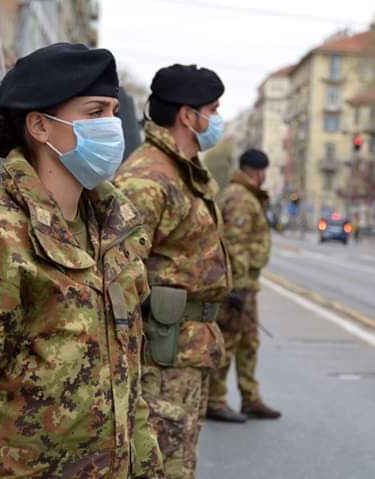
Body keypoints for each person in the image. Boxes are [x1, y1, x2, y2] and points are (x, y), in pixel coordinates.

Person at [0, 43, 163, 478]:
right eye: (95, 112)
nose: (112, 127)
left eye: (114, 112)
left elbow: (128, 386)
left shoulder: (113, 236)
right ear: (40, 126)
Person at [113, 64, 231, 479]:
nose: (217, 119)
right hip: (161, 353)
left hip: (186, 349)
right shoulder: (149, 178)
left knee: (178, 462)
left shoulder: (183, 171)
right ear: (188, 115)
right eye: (213, 110)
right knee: (158, 468)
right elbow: (117, 271)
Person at [207, 149, 281, 422]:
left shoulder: (246, 196)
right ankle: (215, 399)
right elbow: (234, 243)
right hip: (239, 284)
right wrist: (237, 286)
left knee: (249, 341)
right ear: (258, 172)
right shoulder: (240, 198)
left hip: (247, 283)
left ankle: (250, 397)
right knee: (229, 341)